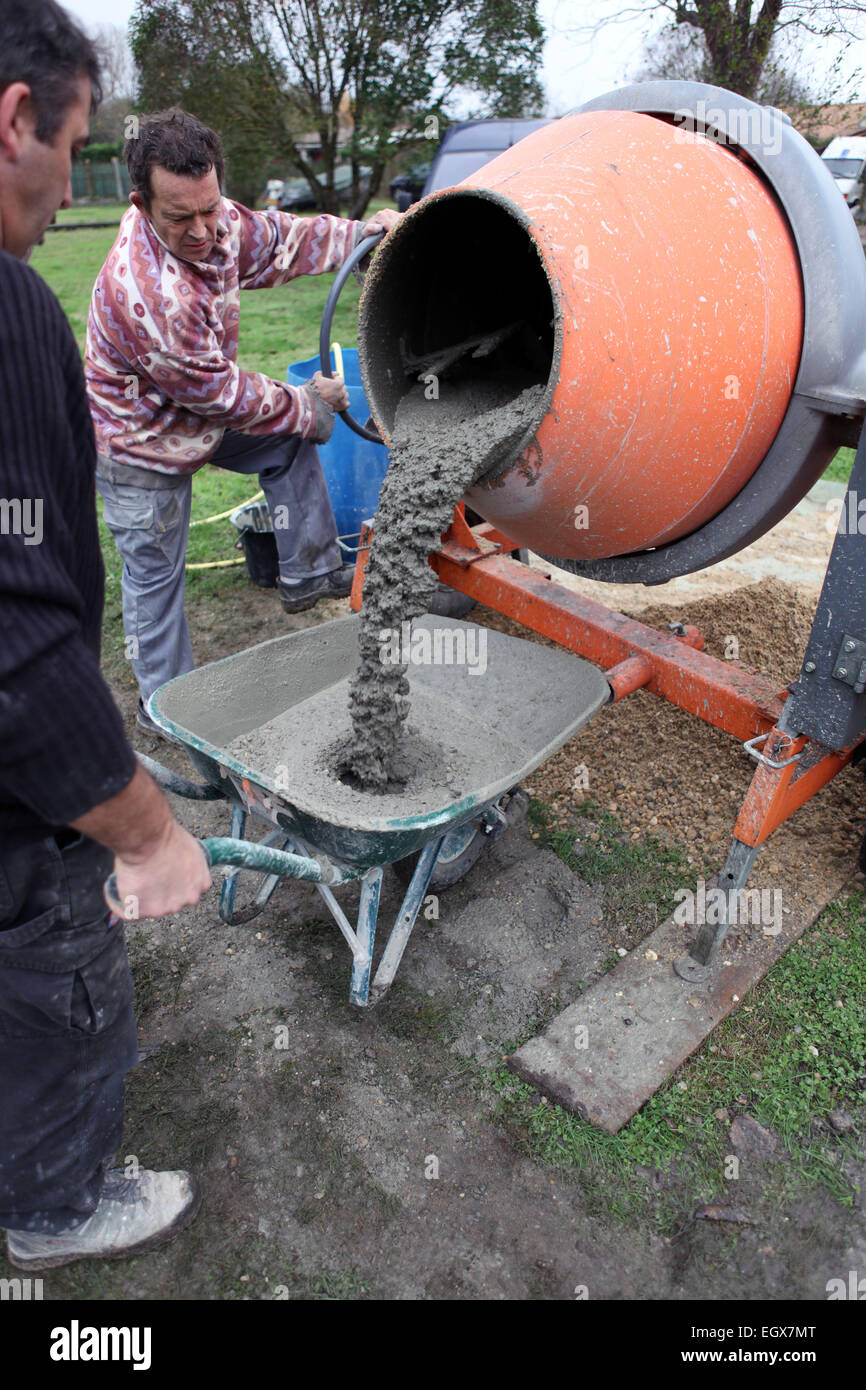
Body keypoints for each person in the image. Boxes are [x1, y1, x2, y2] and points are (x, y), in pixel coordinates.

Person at [0, 0, 212, 1271]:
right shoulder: (16, 309)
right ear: (14, 118)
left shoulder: (213, 232)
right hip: (20, 803)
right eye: (71, 148)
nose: (65, 183)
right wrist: (145, 833)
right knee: (65, 976)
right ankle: (52, 1204)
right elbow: (15, 649)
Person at [85, 108, 400, 732]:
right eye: (181, 218)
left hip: (197, 404)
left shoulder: (214, 219)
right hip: (138, 440)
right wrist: (306, 405)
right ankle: (164, 708)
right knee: (154, 577)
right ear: (140, 204)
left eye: (210, 208)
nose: (205, 232)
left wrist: (365, 235)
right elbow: (218, 395)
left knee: (285, 441)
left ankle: (308, 569)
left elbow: (283, 240)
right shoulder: (147, 293)